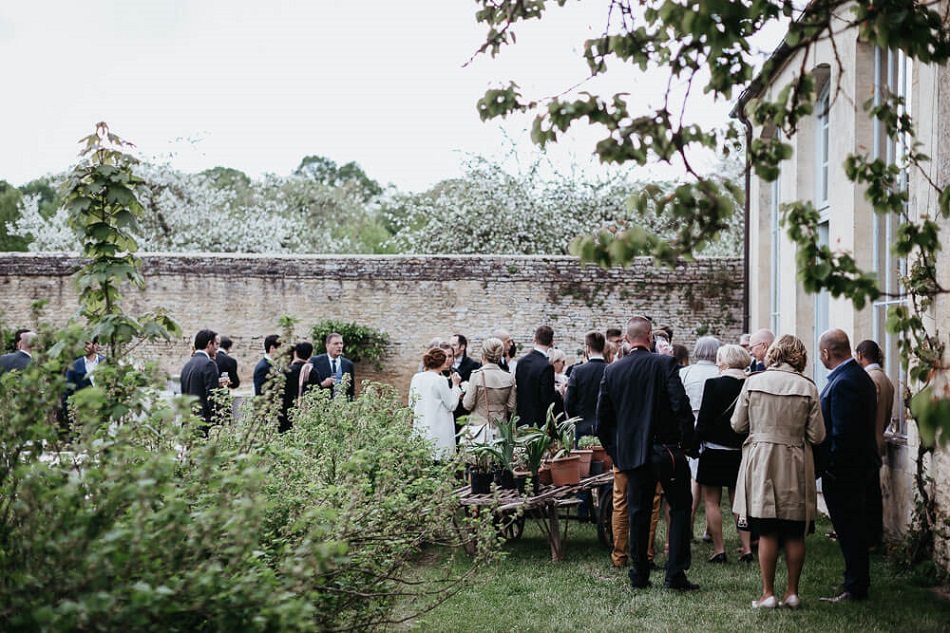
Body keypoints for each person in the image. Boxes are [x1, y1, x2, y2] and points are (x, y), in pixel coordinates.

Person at [597, 316, 698, 591]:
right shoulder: (664, 363)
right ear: (650, 337)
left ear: (628, 340)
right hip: (667, 450)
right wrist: (688, 443)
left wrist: (616, 452)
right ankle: (675, 573)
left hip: (634, 454)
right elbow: (681, 406)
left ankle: (639, 573)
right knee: (678, 509)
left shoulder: (612, 371)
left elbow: (602, 421)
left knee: (638, 512)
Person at [731, 334, 826, 609]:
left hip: (761, 460)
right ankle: (792, 593)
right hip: (795, 460)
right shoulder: (808, 387)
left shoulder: (754, 382)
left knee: (768, 530)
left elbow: (737, 424)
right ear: (800, 356)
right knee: (795, 531)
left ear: (773, 353)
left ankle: (767, 593)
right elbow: (818, 435)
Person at [817, 329, 879, 603]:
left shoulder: (844, 382)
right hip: (855, 467)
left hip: (846, 472)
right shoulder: (856, 376)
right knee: (852, 529)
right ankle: (853, 582)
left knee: (850, 530)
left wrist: (832, 468)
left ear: (826, 353)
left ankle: (855, 587)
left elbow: (843, 433)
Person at [695, 344, 753, 563]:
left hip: (714, 450)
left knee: (712, 502)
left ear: (725, 361)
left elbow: (704, 419)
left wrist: (693, 443)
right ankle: (747, 548)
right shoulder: (751, 383)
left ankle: (719, 549)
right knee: (740, 503)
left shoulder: (714, 384)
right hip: (741, 451)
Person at [855, 339, 895, 550]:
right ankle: (872, 537)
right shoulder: (886, 379)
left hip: (867, 443)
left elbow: (868, 413)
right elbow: (886, 416)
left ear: (861, 355)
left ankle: (870, 538)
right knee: (872, 491)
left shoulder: (870, 379)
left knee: (866, 494)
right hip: (878, 439)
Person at [680, 336, 721, 541]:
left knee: (695, 480)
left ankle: (689, 524)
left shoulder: (685, 373)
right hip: (716, 431)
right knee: (710, 484)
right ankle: (708, 529)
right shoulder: (721, 373)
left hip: (691, 429)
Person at [410, 347, 462, 460]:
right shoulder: (440, 380)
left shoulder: (416, 378)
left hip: (421, 428)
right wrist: (456, 386)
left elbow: (411, 404)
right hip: (439, 431)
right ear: (442, 363)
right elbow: (452, 405)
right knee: (440, 461)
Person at [461, 337, 516, 443]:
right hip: (501, 430)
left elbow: (468, 405)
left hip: (479, 429)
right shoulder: (509, 377)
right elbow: (511, 407)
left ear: (483, 355)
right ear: (500, 356)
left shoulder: (476, 375)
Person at [180, 329, 224, 433]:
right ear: (209, 344)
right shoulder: (209, 364)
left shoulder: (187, 365)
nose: (217, 349)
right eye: (216, 345)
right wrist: (218, 421)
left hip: (188, 422)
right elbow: (212, 396)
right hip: (203, 423)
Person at [515, 325, 556, 427]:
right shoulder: (547, 366)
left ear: (534, 339)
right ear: (552, 342)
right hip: (539, 422)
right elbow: (546, 398)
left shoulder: (521, 362)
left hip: (521, 419)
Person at [280, 341, 319, 433]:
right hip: (306, 415)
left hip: (285, 414)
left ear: (295, 353)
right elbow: (317, 393)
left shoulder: (286, 371)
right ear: (310, 355)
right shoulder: (312, 372)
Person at [311, 332, 355, 400]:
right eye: (336, 344)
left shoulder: (348, 364)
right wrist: (323, 384)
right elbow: (310, 386)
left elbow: (351, 390)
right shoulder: (316, 361)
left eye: (341, 343)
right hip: (321, 404)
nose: (339, 346)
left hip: (342, 405)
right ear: (327, 346)